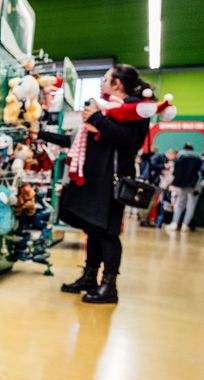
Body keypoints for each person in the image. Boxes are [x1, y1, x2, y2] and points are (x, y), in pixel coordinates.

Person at [59, 65, 151, 304]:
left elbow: (129, 140)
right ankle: (90, 277)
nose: (102, 84)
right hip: (96, 181)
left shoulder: (136, 109)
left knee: (108, 233)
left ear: (117, 83)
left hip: (113, 182)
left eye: (105, 79)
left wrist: (97, 119)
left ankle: (109, 286)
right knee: (93, 229)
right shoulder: (108, 107)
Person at [165, 143, 203, 232]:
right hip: (195, 184)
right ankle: (185, 225)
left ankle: (174, 223)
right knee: (191, 205)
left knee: (179, 203)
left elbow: (176, 172)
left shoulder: (180, 156)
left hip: (183, 184)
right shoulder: (198, 158)